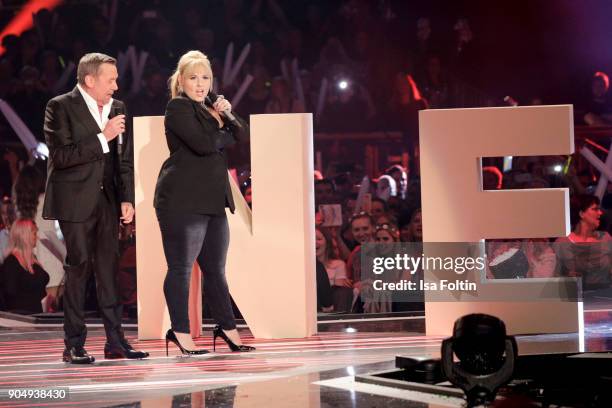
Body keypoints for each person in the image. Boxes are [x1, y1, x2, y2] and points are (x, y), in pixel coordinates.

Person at [43, 52, 148, 364]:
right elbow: (61, 157)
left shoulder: (118, 108)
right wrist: (103, 137)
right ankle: (73, 344)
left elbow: (123, 160)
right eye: (110, 79)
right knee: (78, 269)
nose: (116, 86)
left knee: (108, 271)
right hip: (74, 200)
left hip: (107, 201)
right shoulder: (59, 106)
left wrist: (127, 199)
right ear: (89, 80)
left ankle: (116, 342)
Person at [154, 50, 254, 355]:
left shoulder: (211, 109)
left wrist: (228, 114)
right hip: (182, 199)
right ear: (181, 80)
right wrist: (222, 127)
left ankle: (227, 328)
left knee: (215, 270)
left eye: (206, 78)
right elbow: (203, 144)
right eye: (194, 78)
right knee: (182, 268)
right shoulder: (178, 107)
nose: (200, 84)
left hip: (212, 200)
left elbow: (243, 134)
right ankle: (180, 332)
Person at [555, 194, 612, 293]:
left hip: (603, 299)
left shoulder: (606, 238)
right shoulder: (562, 243)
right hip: (574, 299)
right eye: (595, 209)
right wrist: (566, 277)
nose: (600, 213)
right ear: (581, 214)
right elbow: (555, 277)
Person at [1, 219, 49, 314]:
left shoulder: (33, 260)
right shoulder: (11, 263)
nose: (37, 237)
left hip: (38, 315)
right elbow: (9, 296)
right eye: (34, 233)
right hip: (21, 319)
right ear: (25, 236)